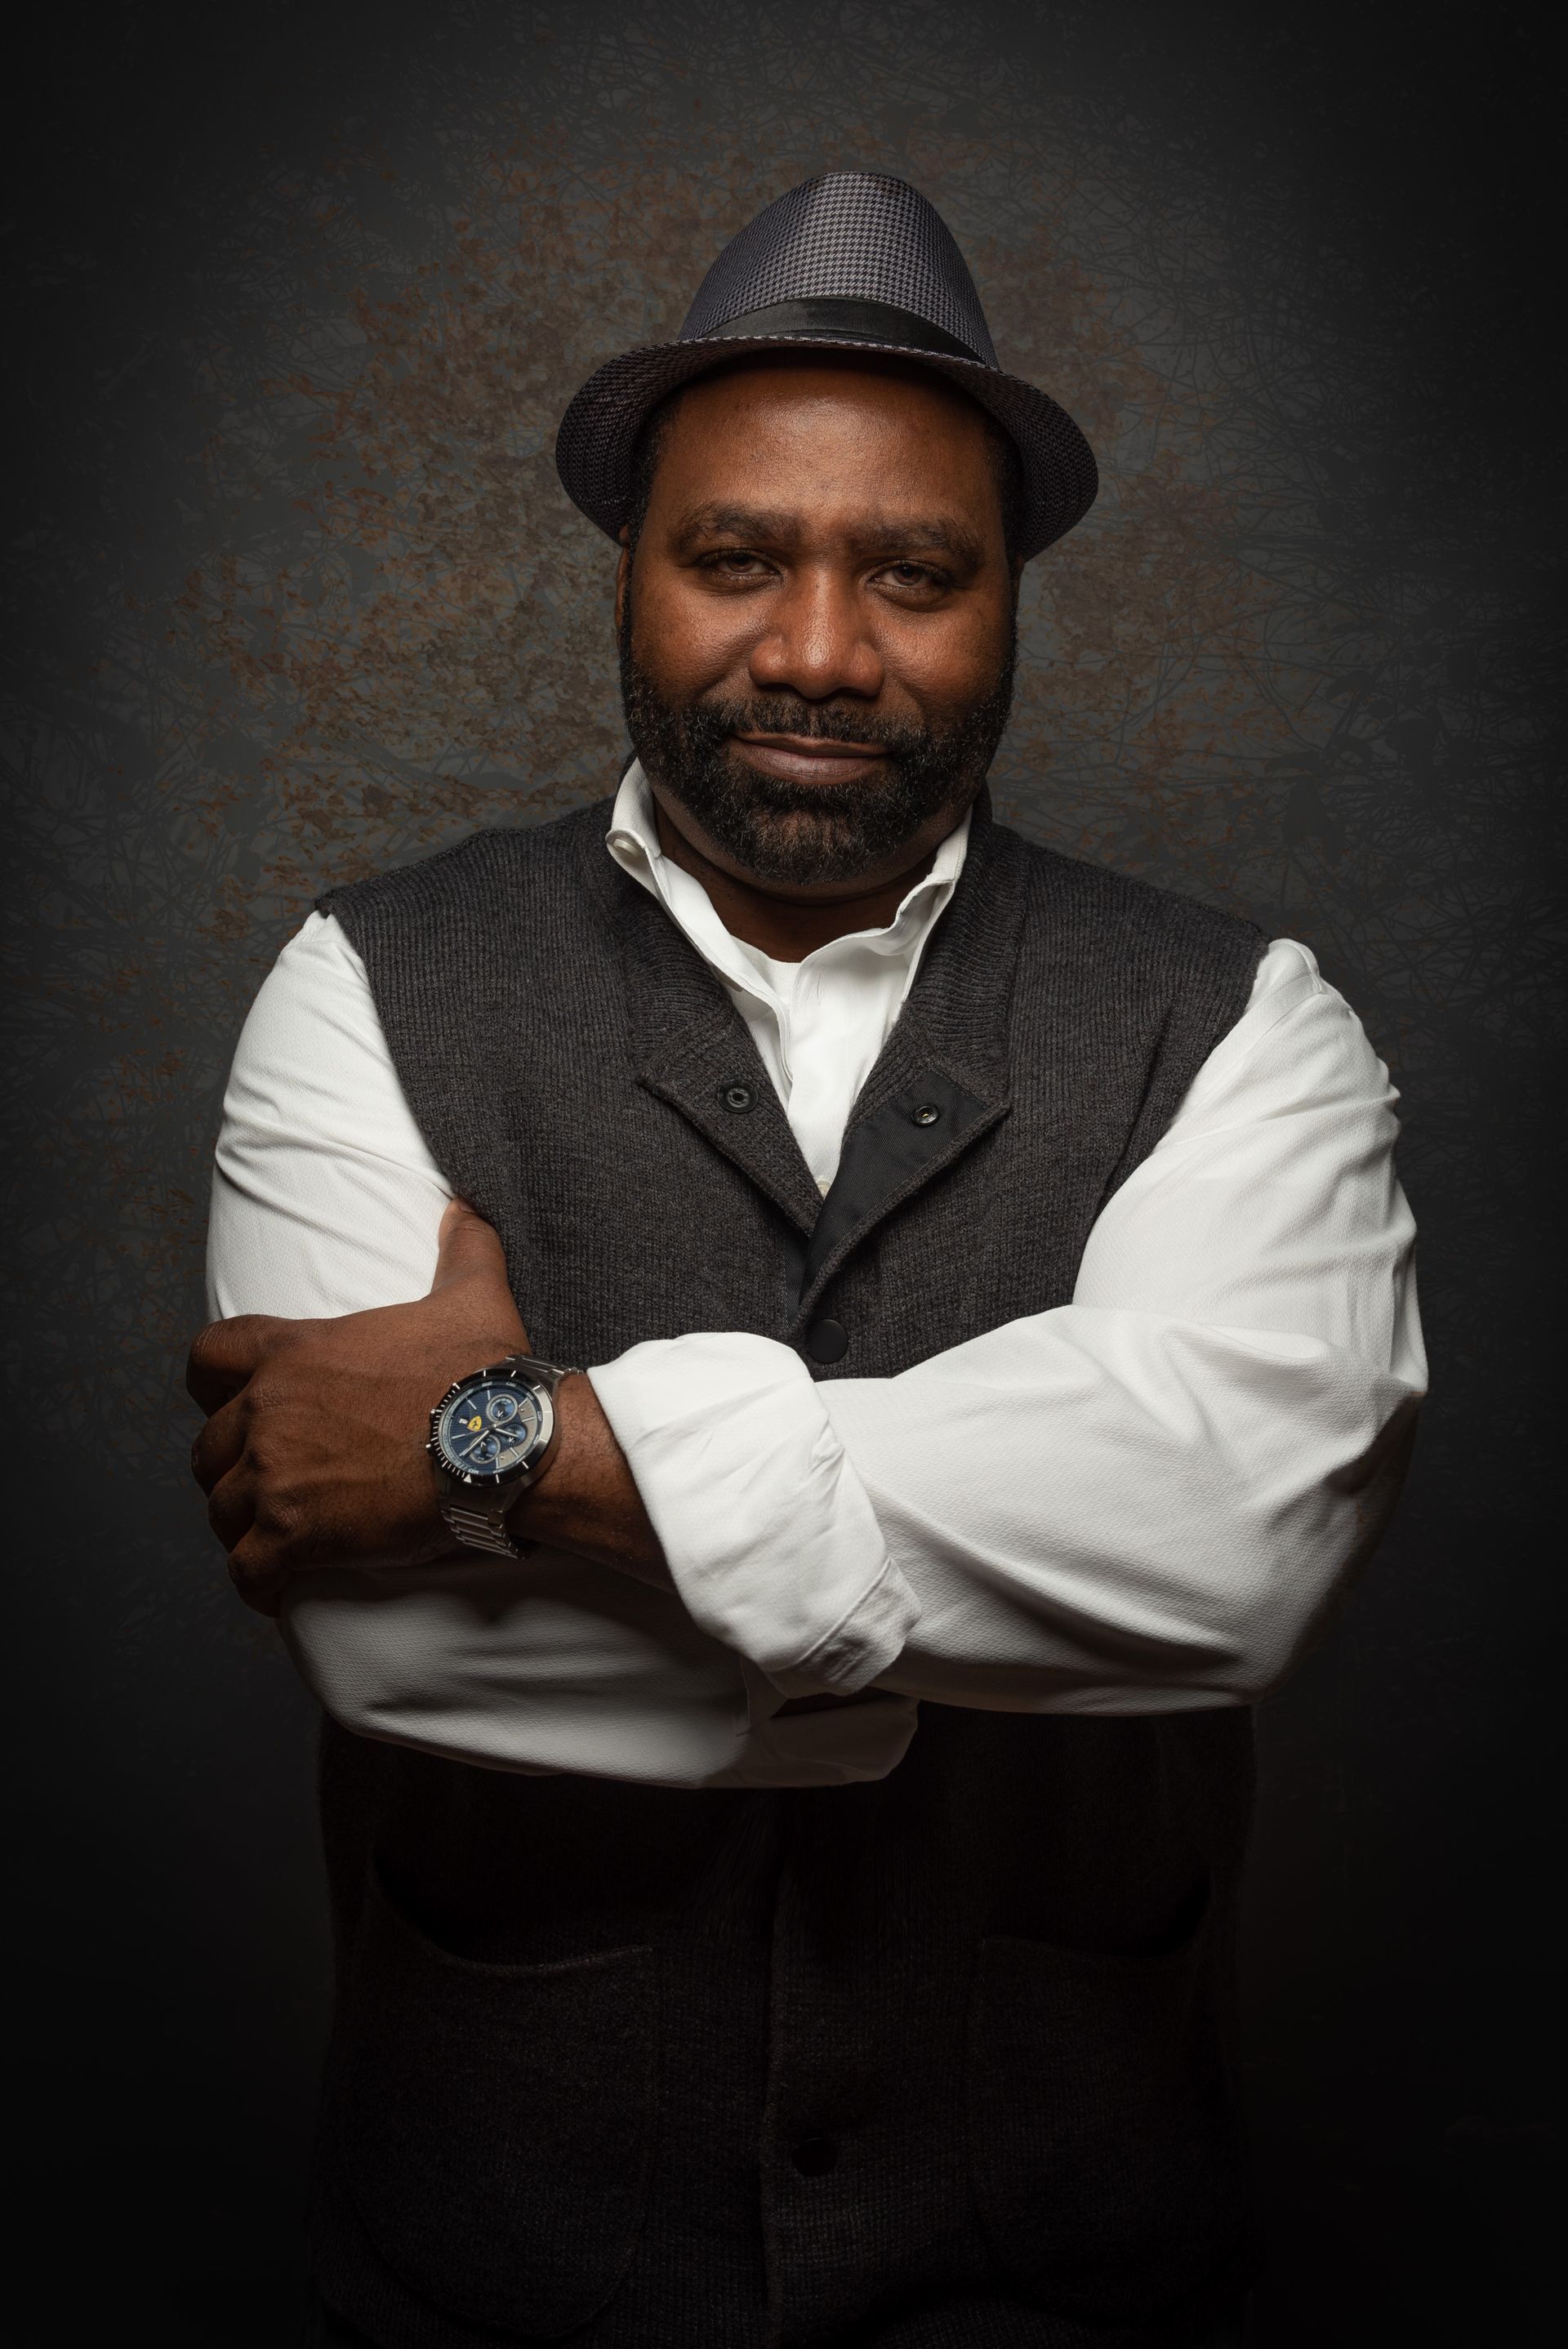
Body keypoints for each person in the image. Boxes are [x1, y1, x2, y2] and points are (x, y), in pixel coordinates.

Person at [188, 172, 1424, 2348]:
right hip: (498, 2263)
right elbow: (397, 1649)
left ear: (1010, 599)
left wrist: (521, 1449)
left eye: (916, 574)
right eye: (737, 557)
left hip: (1073, 2261)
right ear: (632, 570)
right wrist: (995, 1589)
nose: (823, 652)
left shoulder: (1245, 1020)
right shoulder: (362, 985)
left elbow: (1234, 1551)